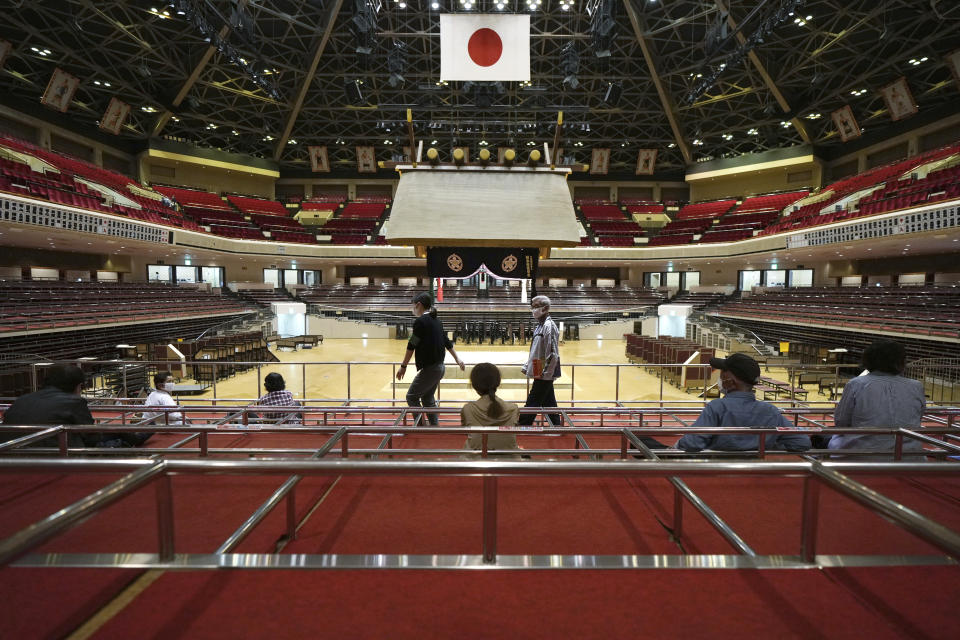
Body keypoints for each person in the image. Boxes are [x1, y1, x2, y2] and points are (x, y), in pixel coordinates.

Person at [677, 353, 811, 453]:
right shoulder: (770, 411)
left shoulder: (717, 407)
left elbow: (691, 443)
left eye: (722, 374)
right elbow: (802, 442)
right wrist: (770, 446)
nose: (720, 378)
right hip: (756, 477)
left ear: (729, 381)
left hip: (718, 473)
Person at [827, 340, 926, 459]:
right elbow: (918, 416)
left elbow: (841, 422)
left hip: (862, 453)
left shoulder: (856, 384)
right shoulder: (916, 386)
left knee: (827, 439)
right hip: (909, 453)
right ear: (901, 362)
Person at [397, 292, 465, 426]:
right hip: (440, 367)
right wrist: (457, 358)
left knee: (411, 396)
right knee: (427, 397)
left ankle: (421, 425)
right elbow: (447, 342)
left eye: (414, 306)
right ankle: (434, 425)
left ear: (418, 305)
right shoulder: (437, 321)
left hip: (431, 369)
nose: (413, 309)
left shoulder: (420, 322)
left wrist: (403, 366)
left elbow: (412, 344)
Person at [1, 364, 103, 448]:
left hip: (8, 457)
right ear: (78, 386)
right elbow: (91, 436)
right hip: (52, 460)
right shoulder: (75, 402)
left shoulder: (22, 399)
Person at [519, 295, 562, 427]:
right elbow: (535, 350)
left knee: (533, 399)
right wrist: (527, 366)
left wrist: (545, 373)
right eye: (532, 307)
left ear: (546, 308)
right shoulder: (539, 326)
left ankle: (522, 424)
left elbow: (553, 353)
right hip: (539, 367)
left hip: (545, 371)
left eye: (536, 307)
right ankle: (556, 425)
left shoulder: (549, 326)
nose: (533, 310)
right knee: (548, 400)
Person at [462, 363, 521, 455]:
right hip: (509, 459)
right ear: (498, 383)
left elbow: (466, 431)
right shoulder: (513, 409)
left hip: (475, 460)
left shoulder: (467, 409)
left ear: (474, 385)